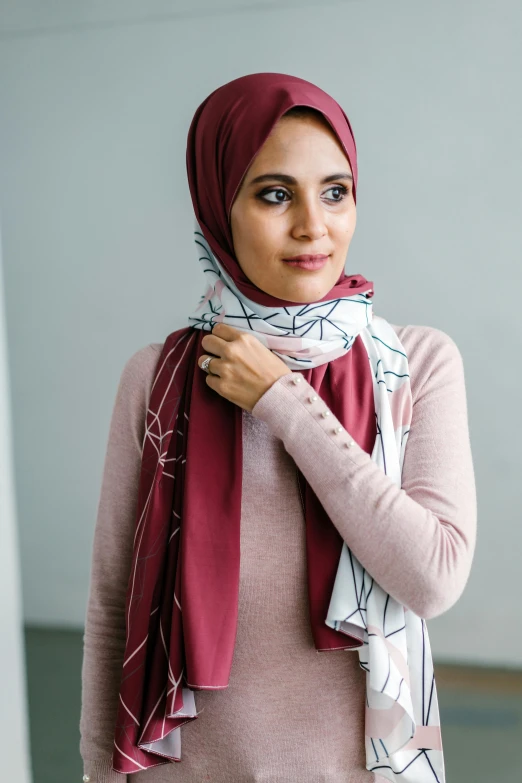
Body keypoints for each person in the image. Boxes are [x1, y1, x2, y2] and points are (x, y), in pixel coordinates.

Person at [79, 73, 476, 783]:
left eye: (334, 191)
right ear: (216, 202)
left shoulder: (416, 365)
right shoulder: (159, 377)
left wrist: (284, 401)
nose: (312, 226)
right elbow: (113, 603)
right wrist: (98, 773)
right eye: (273, 193)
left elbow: (433, 576)